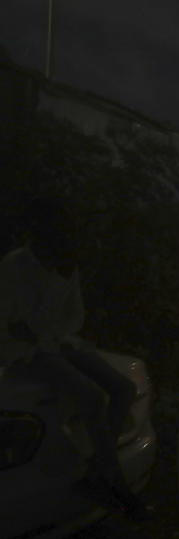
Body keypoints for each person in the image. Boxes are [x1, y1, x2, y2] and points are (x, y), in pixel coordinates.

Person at [0, 198, 150, 520]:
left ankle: (100, 465)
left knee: (122, 387)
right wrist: (36, 334)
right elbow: (11, 325)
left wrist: (54, 334)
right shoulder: (15, 266)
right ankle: (113, 479)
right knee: (91, 396)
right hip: (27, 352)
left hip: (56, 342)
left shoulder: (64, 266)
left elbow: (73, 316)